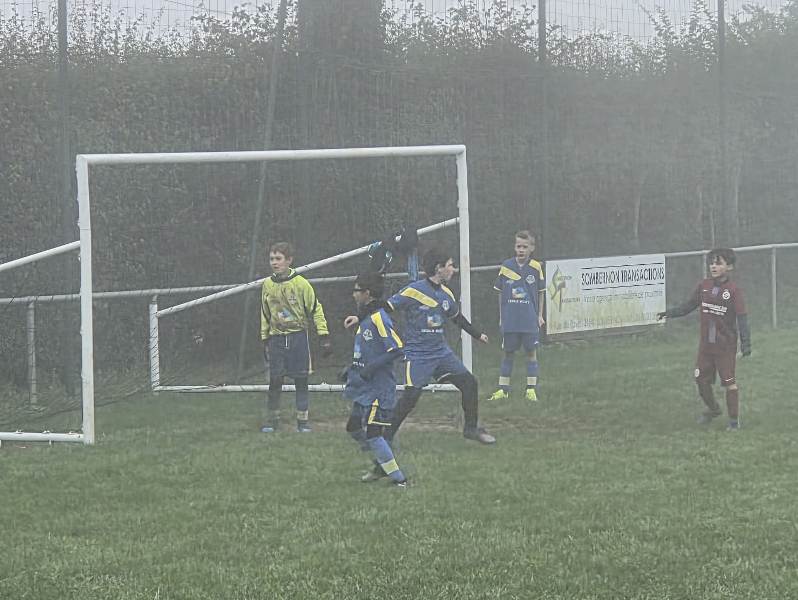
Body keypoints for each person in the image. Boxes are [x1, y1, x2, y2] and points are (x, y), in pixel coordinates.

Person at [347, 248, 496, 445]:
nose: (453, 269)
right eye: (450, 265)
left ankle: (470, 429)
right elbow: (384, 306)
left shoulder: (446, 294)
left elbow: (457, 317)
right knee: (411, 397)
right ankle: (386, 438)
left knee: (469, 383)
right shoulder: (413, 291)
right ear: (439, 268)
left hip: (441, 353)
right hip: (418, 355)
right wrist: (359, 317)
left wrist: (477, 334)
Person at [657, 248, 751, 430]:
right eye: (712, 263)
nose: (713, 266)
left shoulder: (734, 291)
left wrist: (746, 344)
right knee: (700, 380)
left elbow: (742, 318)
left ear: (729, 267)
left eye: (719, 263)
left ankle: (734, 422)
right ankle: (714, 409)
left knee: (729, 383)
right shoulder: (704, 286)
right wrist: (669, 313)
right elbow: (688, 306)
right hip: (706, 347)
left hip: (725, 347)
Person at [342, 272, 408, 487]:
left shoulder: (379, 318)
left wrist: (370, 368)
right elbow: (367, 350)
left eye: (356, 290)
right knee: (353, 427)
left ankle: (399, 479)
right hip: (364, 387)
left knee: (373, 433)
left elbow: (397, 348)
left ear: (367, 293)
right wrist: (351, 369)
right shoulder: (366, 318)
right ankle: (381, 462)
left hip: (379, 388)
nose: (353, 295)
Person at [260, 242, 331, 433]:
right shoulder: (267, 285)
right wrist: (264, 337)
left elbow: (315, 309)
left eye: (278, 259)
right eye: (271, 259)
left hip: (298, 337)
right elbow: (265, 312)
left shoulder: (301, 284)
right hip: (276, 338)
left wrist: (323, 335)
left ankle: (302, 421)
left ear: (289, 260)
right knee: (275, 380)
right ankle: (272, 420)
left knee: (301, 379)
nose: (274, 263)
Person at [488, 230, 546, 402]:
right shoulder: (506, 266)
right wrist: (502, 316)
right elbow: (500, 292)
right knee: (508, 353)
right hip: (511, 319)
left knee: (531, 353)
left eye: (525, 247)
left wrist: (539, 315)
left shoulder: (536, 267)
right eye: (518, 246)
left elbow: (541, 292)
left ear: (532, 248)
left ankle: (531, 389)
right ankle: (503, 389)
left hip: (529, 319)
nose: (521, 250)